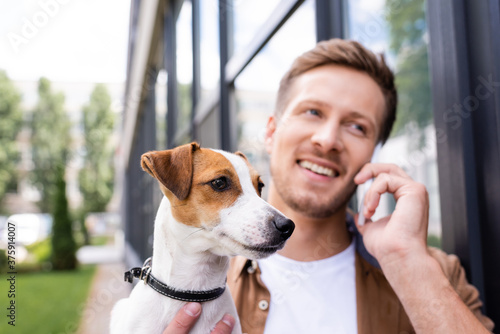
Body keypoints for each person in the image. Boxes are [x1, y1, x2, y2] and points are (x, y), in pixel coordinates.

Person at [163, 39, 494, 334]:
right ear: (271, 132)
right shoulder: (180, 276)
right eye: (312, 112)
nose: (327, 140)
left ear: (374, 153)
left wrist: (407, 260)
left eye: (356, 126)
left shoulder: (434, 272)